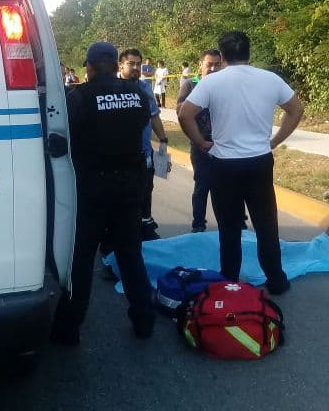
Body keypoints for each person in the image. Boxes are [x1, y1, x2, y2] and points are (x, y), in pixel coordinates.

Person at [177, 31, 304, 295]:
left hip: (224, 164)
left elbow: (185, 114)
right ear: (249, 52)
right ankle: (276, 280)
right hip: (259, 162)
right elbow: (296, 109)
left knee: (229, 227)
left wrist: (201, 142)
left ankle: (230, 281)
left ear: (222, 56)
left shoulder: (212, 82)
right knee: (266, 224)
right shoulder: (270, 79)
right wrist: (275, 140)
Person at [50, 41, 157, 345]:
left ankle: (69, 328)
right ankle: (144, 320)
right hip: (130, 185)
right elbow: (140, 127)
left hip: (93, 188)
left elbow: (63, 138)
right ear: (115, 63)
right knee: (130, 254)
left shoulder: (80, 96)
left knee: (82, 258)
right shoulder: (137, 93)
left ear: (90, 66)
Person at [119, 48, 168, 241]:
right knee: (123, 196)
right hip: (121, 156)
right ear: (120, 65)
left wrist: (163, 139)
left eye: (138, 64)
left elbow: (154, 116)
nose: (136, 67)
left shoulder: (145, 87)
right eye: (131, 64)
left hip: (144, 152)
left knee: (146, 190)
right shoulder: (112, 87)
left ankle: (145, 226)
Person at [176, 49, 221, 232]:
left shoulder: (226, 84)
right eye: (209, 64)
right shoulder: (190, 85)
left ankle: (233, 223)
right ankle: (198, 224)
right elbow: (180, 111)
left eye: (217, 64)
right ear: (200, 65)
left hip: (223, 146)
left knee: (226, 187)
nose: (213, 68)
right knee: (202, 185)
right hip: (200, 144)